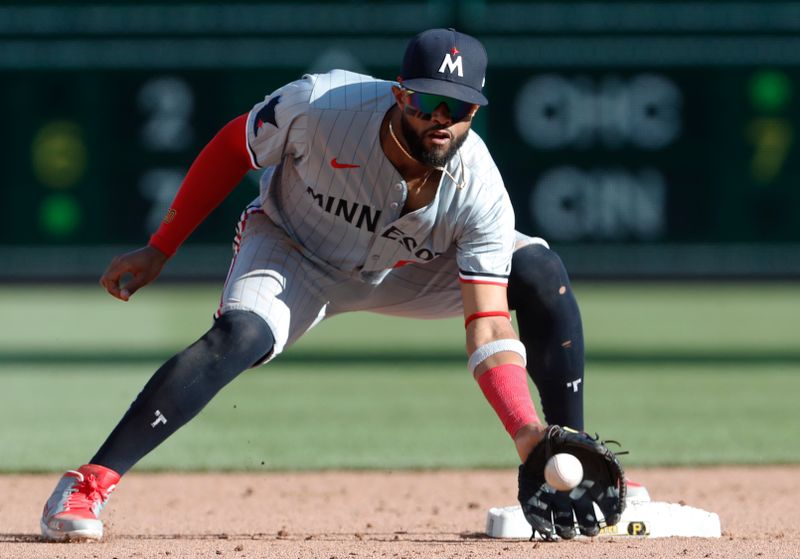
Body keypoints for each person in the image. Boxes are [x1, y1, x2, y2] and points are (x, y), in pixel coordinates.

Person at [40, 28, 610, 542]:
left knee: (537, 269)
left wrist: (524, 431)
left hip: (408, 271)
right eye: (429, 99)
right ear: (398, 93)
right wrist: (161, 247)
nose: (443, 116)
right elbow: (231, 148)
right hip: (296, 250)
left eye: (459, 105)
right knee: (239, 335)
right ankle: (88, 483)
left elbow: (487, 321)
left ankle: (567, 463)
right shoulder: (320, 105)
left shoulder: (479, 187)